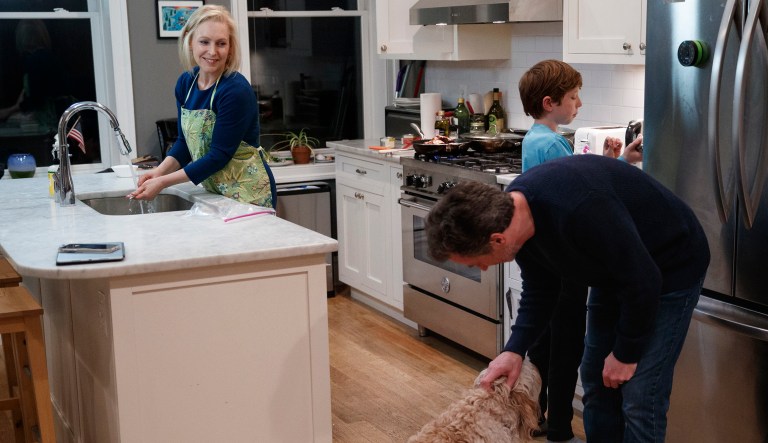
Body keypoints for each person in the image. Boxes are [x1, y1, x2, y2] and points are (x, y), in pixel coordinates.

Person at [425, 154, 710, 443]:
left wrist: (626, 353)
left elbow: (644, 281)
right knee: (596, 379)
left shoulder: (580, 209)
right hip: (618, 270)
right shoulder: (514, 218)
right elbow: (541, 289)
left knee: (639, 394)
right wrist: (514, 350)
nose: (483, 268)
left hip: (669, 268)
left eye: (476, 262)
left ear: (497, 239)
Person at [517, 59, 643, 443]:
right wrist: (621, 165)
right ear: (551, 101)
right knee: (567, 344)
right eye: (574, 97)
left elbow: (576, 183)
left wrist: (612, 161)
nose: (580, 104)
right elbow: (582, 195)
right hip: (565, 259)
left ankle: (532, 417)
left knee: (543, 343)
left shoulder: (533, 138)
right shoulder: (554, 143)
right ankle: (559, 430)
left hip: (544, 254)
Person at [129, 5, 276, 209]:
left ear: (230, 47)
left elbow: (219, 156)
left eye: (221, 43)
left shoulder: (235, 90)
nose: (212, 51)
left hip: (249, 195)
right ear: (190, 42)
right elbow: (184, 143)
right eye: (204, 41)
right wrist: (159, 171)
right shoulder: (186, 83)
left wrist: (163, 182)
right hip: (216, 193)